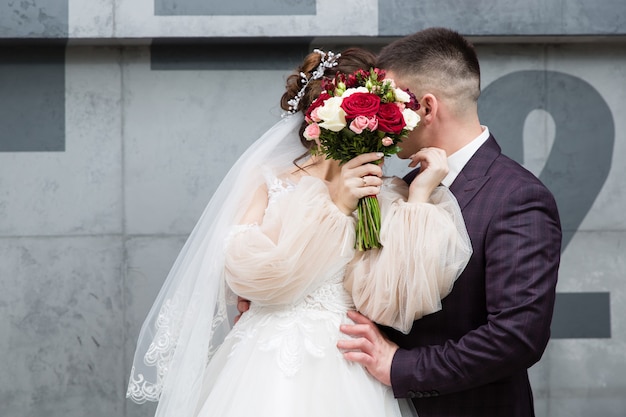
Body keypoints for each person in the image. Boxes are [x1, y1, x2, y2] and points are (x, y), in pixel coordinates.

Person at [126, 47, 472, 417]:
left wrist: (418, 197)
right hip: (264, 360)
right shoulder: (269, 181)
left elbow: (395, 300)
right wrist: (336, 207)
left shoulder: (383, 193)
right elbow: (248, 276)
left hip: (349, 360)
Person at [337, 28, 562, 417]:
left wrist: (399, 367)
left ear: (426, 108)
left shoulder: (518, 197)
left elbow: (516, 337)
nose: (375, 117)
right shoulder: (397, 187)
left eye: (386, 104)